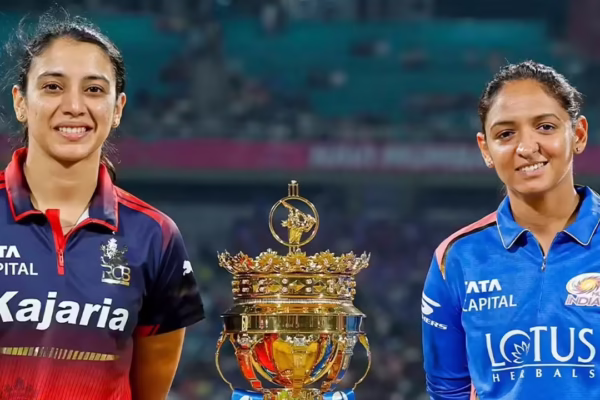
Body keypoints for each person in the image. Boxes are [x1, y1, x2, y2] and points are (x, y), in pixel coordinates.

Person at [0, 12, 204, 400]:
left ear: (118, 108)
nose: (74, 106)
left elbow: (149, 392)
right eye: (53, 87)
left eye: (94, 89)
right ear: (21, 102)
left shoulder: (156, 237)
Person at [421, 60, 600, 400]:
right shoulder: (456, 258)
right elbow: (447, 389)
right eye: (505, 134)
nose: (527, 147)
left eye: (545, 127)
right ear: (485, 149)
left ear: (578, 135)